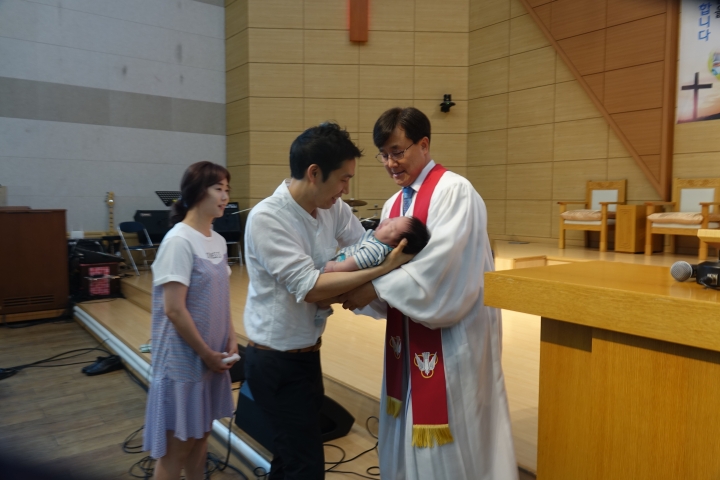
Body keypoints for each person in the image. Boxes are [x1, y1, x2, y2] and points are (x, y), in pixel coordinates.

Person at [340, 108, 519, 480]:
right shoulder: (394, 204)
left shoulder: (455, 191)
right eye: (383, 155)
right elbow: (383, 260)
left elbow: (442, 269)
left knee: (455, 425)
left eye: (397, 152)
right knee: (409, 420)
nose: (390, 163)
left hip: (454, 333)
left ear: (424, 144)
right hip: (408, 332)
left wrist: (373, 287)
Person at [242, 122, 414, 480]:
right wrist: (382, 270)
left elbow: (367, 247)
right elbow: (310, 288)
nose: (346, 189)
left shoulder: (331, 209)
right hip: (275, 362)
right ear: (314, 173)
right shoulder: (268, 217)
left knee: (290, 459)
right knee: (305, 466)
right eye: (343, 179)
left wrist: (390, 267)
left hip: (307, 353)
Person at [143, 161, 238, 480]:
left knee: (201, 439)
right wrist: (206, 353)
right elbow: (174, 309)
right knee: (176, 450)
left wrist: (231, 338)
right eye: (218, 189)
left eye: (227, 190)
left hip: (212, 358)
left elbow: (220, 297)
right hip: (184, 360)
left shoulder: (218, 241)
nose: (225, 197)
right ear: (197, 192)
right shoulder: (179, 240)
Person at [324, 216, 430, 273]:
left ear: (395, 246)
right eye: (392, 219)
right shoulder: (375, 239)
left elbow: (357, 261)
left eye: (391, 228)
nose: (387, 222)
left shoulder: (376, 249)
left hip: (340, 269)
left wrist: (335, 267)